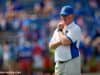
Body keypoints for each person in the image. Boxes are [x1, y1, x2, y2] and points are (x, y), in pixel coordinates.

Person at [49, 5, 82, 75]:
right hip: (58, 64)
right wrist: (60, 41)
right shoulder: (57, 30)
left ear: (71, 16)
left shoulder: (75, 28)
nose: (63, 17)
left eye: (65, 15)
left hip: (71, 62)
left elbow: (66, 42)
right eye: (62, 15)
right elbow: (51, 46)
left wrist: (60, 31)